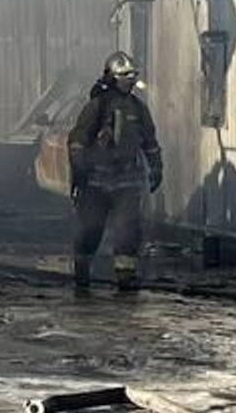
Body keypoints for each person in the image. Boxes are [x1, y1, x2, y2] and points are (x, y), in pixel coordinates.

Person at [68, 52, 163, 292]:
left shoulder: (139, 109)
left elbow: (149, 142)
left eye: (133, 76)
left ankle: (125, 278)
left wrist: (156, 167)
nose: (130, 80)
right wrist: (80, 169)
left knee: (128, 231)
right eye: (125, 75)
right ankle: (82, 273)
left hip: (127, 183)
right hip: (96, 183)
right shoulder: (95, 108)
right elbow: (77, 140)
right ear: (112, 77)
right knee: (90, 229)